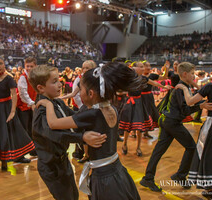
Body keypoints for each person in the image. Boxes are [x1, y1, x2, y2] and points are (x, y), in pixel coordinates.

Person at [35, 62, 142, 200]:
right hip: (117, 170)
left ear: (90, 93)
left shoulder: (91, 114)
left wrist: (48, 104)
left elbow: (53, 123)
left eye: (80, 90)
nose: (78, 93)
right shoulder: (112, 108)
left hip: (103, 176)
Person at [29, 65, 107, 200]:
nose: (60, 85)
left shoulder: (57, 102)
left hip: (63, 161)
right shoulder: (41, 111)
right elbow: (55, 135)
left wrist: (96, 109)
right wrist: (82, 137)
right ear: (41, 88)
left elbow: (76, 117)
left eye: (59, 80)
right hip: (51, 166)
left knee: (73, 195)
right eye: (54, 82)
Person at [140, 62, 212, 192]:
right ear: (185, 74)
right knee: (191, 147)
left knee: (158, 150)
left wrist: (199, 100)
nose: (194, 76)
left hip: (167, 120)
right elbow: (185, 110)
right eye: (192, 74)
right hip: (172, 122)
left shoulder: (184, 86)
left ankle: (148, 178)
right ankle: (180, 175)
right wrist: (200, 106)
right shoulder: (181, 88)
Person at [177, 57, 212, 200]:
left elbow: (190, 102)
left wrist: (185, 88)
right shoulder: (209, 86)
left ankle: (209, 189)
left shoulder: (210, 87)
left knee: (209, 156)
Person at [16, 57, 38, 157]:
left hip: (29, 106)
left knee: (31, 129)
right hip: (22, 107)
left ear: (35, 66)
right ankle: (20, 154)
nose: (29, 68)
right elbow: (23, 94)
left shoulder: (35, 77)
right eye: (27, 66)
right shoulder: (23, 78)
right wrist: (31, 103)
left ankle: (32, 150)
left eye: (31, 66)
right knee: (22, 130)